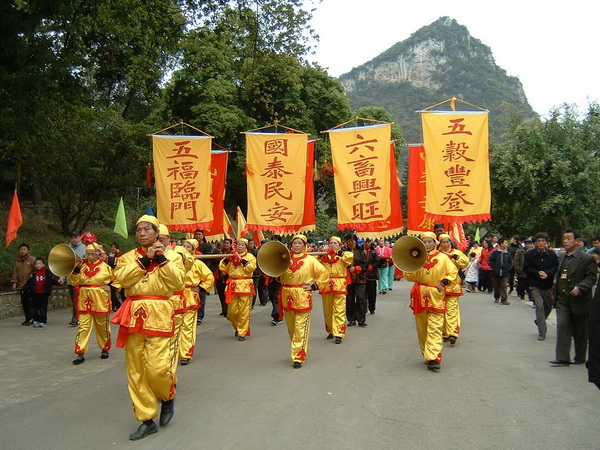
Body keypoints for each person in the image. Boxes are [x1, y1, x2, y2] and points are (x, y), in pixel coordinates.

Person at [111, 215, 185, 440]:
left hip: (160, 314)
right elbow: (122, 279)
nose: (142, 233)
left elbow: (177, 282)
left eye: (147, 230)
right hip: (133, 315)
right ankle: (146, 419)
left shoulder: (172, 256)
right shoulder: (127, 258)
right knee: (136, 371)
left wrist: (160, 257)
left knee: (157, 368)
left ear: (156, 233)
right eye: (139, 230)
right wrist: (144, 260)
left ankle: (167, 395)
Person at [404, 232, 458, 371]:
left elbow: (453, 272)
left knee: (435, 327)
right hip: (419, 295)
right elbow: (409, 277)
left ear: (435, 243)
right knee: (422, 329)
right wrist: (410, 263)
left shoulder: (443, 258)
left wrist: (444, 281)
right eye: (424, 242)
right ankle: (426, 354)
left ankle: (433, 357)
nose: (427, 244)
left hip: (436, 295)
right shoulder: (417, 257)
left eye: (430, 241)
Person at [279, 234, 329, 368]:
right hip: (287, 295)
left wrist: (314, 285)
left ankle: (298, 356)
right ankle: (297, 348)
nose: (296, 245)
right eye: (294, 243)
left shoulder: (310, 260)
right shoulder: (285, 259)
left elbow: (324, 273)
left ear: (304, 245)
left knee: (300, 327)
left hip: (302, 296)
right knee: (291, 327)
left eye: (300, 243)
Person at [550, 230, 597, 366]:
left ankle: (580, 356)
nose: (565, 241)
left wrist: (581, 287)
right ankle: (563, 358)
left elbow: (591, 277)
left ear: (577, 241)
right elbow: (559, 276)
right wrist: (555, 290)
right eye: (564, 239)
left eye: (569, 239)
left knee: (580, 331)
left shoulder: (587, 258)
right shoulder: (563, 257)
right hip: (563, 299)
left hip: (579, 300)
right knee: (563, 325)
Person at [69, 243, 115, 365]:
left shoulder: (105, 267)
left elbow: (117, 278)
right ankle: (80, 352)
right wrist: (76, 270)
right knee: (83, 327)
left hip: (100, 299)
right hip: (84, 299)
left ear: (97, 254)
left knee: (102, 326)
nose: (90, 256)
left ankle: (105, 348)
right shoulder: (81, 267)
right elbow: (73, 282)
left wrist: (110, 287)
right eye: (88, 254)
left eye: (93, 254)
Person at [180, 239, 214, 363]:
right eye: (183, 246)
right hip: (173, 297)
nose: (184, 248)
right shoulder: (173, 261)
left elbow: (209, 277)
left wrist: (200, 288)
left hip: (189, 296)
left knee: (187, 326)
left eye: (188, 247)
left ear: (194, 250)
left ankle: (185, 353)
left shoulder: (197, 263)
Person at [219, 238, 257, 341]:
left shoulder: (250, 256)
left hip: (245, 285)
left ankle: (242, 332)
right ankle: (238, 327)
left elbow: (251, 268)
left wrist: (241, 260)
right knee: (231, 312)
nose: (240, 246)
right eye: (238, 245)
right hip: (233, 286)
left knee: (244, 311)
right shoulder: (231, 256)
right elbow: (222, 267)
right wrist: (228, 259)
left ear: (246, 246)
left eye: (242, 245)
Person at [523, 232, 559, 341]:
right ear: (535, 243)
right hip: (535, 285)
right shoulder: (530, 254)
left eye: (543, 241)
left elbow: (556, 267)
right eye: (539, 241)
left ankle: (539, 320)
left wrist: (547, 273)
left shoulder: (552, 255)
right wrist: (537, 273)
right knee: (539, 305)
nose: (541, 243)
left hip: (547, 285)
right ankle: (542, 332)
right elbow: (526, 268)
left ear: (547, 243)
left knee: (548, 306)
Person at [319, 236, 353, 344]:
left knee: (339, 309)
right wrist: (320, 254)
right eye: (331, 243)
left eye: (335, 243)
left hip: (339, 285)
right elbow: (313, 262)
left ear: (339, 245)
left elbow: (350, 257)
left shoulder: (344, 255)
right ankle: (330, 330)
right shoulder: (324, 256)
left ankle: (339, 333)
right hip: (326, 284)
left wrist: (340, 253)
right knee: (328, 309)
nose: (332, 245)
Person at [438, 233, 468, 344]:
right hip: (440, 285)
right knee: (441, 310)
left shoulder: (457, 253)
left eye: (447, 242)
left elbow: (465, 263)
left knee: (451, 309)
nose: (445, 244)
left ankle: (452, 333)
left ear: (450, 242)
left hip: (453, 285)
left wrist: (456, 257)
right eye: (443, 242)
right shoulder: (437, 254)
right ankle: (445, 333)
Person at [22, 257, 62, 327]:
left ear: (43, 264)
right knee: (35, 307)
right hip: (35, 293)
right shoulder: (33, 274)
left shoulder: (47, 272)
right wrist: (24, 289)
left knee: (42, 307)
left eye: (40, 264)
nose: (38, 265)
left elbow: (51, 280)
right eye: (36, 264)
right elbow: (29, 283)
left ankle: (43, 321)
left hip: (43, 293)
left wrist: (58, 282)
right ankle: (36, 320)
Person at [345, 235, 369, 327]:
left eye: (353, 241)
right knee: (349, 299)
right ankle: (351, 319)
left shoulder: (361, 252)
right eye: (349, 241)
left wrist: (356, 268)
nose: (351, 243)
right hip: (348, 279)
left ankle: (361, 319)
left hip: (360, 279)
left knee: (360, 298)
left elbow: (365, 266)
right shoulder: (344, 252)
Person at [11, 243, 36, 326]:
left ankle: (33, 318)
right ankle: (28, 318)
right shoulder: (18, 261)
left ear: (28, 250)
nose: (23, 251)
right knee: (24, 302)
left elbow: (37, 270)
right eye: (21, 249)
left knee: (31, 302)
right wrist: (14, 282)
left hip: (30, 284)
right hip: (21, 285)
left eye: (24, 249)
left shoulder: (32, 259)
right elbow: (15, 273)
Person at [67, 231, 87, 326]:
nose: (74, 239)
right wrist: (62, 277)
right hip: (71, 278)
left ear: (79, 238)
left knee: (81, 298)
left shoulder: (85, 248)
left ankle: (79, 317)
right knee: (74, 299)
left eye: (76, 237)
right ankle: (76, 317)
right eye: (72, 238)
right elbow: (63, 264)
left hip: (82, 278)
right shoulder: (66, 249)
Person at [488, 237, 513, 305]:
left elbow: (510, 262)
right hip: (496, 273)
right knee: (496, 286)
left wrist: (508, 268)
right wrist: (494, 267)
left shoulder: (508, 253)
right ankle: (496, 297)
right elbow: (490, 261)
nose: (506, 244)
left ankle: (504, 299)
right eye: (505, 243)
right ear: (501, 244)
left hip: (505, 273)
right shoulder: (495, 253)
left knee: (504, 286)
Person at [215, 238, 232, 317]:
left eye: (227, 243)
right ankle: (224, 309)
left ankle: (228, 310)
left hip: (227, 276)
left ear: (231, 245)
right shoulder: (219, 252)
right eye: (224, 243)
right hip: (219, 275)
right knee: (221, 293)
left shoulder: (231, 253)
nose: (225, 244)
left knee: (227, 293)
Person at [363, 238, 380, 314]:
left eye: (368, 242)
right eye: (365, 242)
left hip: (371, 275)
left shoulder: (373, 252)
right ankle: (364, 308)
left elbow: (377, 261)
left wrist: (372, 267)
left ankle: (372, 308)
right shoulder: (361, 252)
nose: (367, 244)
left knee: (372, 293)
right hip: (362, 275)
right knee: (363, 294)